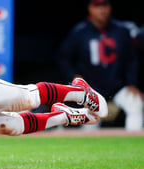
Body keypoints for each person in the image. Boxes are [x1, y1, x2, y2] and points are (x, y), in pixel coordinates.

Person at [58, 0, 143, 131]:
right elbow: (64, 58)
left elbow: (132, 59)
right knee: (89, 121)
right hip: (91, 88)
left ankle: (133, 144)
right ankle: (89, 149)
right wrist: (74, 75)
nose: (102, 10)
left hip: (117, 86)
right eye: (97, 6)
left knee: (136, 103)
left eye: (105, 5)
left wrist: (132, 83)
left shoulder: (122, 30)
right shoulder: (79, 32)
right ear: (90, 8)